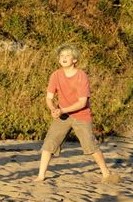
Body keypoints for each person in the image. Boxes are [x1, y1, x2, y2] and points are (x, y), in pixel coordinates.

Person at [36, 44, 116, 182]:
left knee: (90, 145)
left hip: (81, 116)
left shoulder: (81, 75)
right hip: (62, 116)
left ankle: (106, 173)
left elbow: (82, 102)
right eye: (62, 56)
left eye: (67, 55)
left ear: (74, 60)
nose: (64, 58)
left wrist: (62, 110)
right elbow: (49, 97)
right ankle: (41, 175)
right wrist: (53, 109)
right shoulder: (55, 75)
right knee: (49, 143)